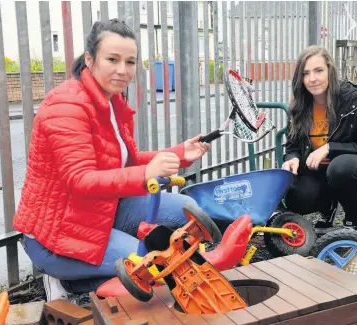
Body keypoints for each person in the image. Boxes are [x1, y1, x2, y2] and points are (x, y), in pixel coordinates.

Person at [13, 19, 211, 301]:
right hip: (56, 236)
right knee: (149, 264)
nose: (123, 70)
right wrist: (146, 174)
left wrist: (179, 153)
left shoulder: (110, 101)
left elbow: (123, 165)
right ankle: (68, 283)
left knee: (187, 209)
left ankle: (98, 269)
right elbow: (80, 179)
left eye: (130, 62)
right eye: (113, 59)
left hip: (98, 211)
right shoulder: (66, 105)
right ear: (90, 59)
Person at [281, 45, 357, 231]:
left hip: (356, 172)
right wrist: (291, 159)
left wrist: (330, 147)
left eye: (318, 71)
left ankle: (352, 220)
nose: (312, 79)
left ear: (330, 71)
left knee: (341, 168)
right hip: (317, 173)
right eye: (306, 73)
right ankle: (327, 207)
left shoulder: (353, 100)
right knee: (296, 198)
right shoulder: (299, 106)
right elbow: (292, 146)